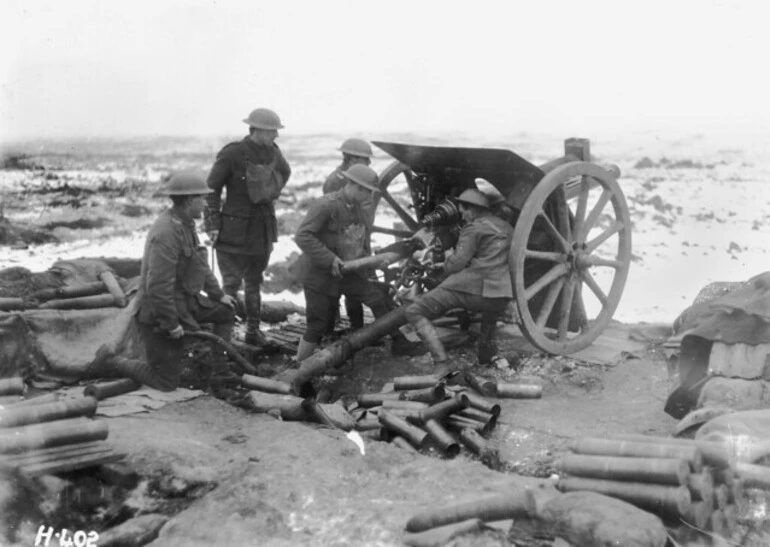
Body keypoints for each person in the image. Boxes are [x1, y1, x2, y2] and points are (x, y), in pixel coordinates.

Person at [89, 171, 239, 391]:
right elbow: (158, 287)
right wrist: (171, 324)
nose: (206, 204)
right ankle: (113, 362)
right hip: (158, 314)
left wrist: (219, 295)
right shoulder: (166, 233)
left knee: (227, 310)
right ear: (189, 201)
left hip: (185, 304)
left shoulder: (185, 224)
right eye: (202, 198)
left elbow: (200, 265)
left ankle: (221, 372)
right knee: (166, 382)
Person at [294, 164, 418, 361]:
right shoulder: (325, 205)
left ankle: (399, 343)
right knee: (317, 325)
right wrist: (330, 259)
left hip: (348, 274)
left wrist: (374, 262)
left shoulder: (360, 210)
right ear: (356, 187)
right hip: (320, 276)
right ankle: (299, 369)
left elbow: (361, 240)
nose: (370, 197)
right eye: (367, 192)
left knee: (376, 299)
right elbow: (302, 236)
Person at [204, 107, 291, 346]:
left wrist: (271, 190)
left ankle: (253, 332)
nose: (276, 136)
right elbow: (211, 189)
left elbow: (285, 172)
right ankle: (223, 338)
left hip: (262, 231)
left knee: (254, 282)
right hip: (232, 232)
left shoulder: (274, 152)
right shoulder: (233, 153)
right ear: (258, 130)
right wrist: (212, 223)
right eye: (273, 131)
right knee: (229, 286)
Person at [405, 188, 513, 368]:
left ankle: (441, 363)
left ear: (473, 210)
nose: (462, 217)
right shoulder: (507, 227)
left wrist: (446, 256)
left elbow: (455, 266)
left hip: (474, 290)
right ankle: (487, 353)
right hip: (501, 294)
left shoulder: (474, 228)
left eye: (463, 212)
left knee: (414, 311)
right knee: (488, 304)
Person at [322, 138, 376, 332]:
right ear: (351, 159)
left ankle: (357, 327)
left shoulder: (357, 178)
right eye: (364, 160)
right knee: (338, 286)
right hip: (341, 243)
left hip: (357, 239)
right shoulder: (335, 182)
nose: (369, 164)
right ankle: (331, 328)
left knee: (356, 283)